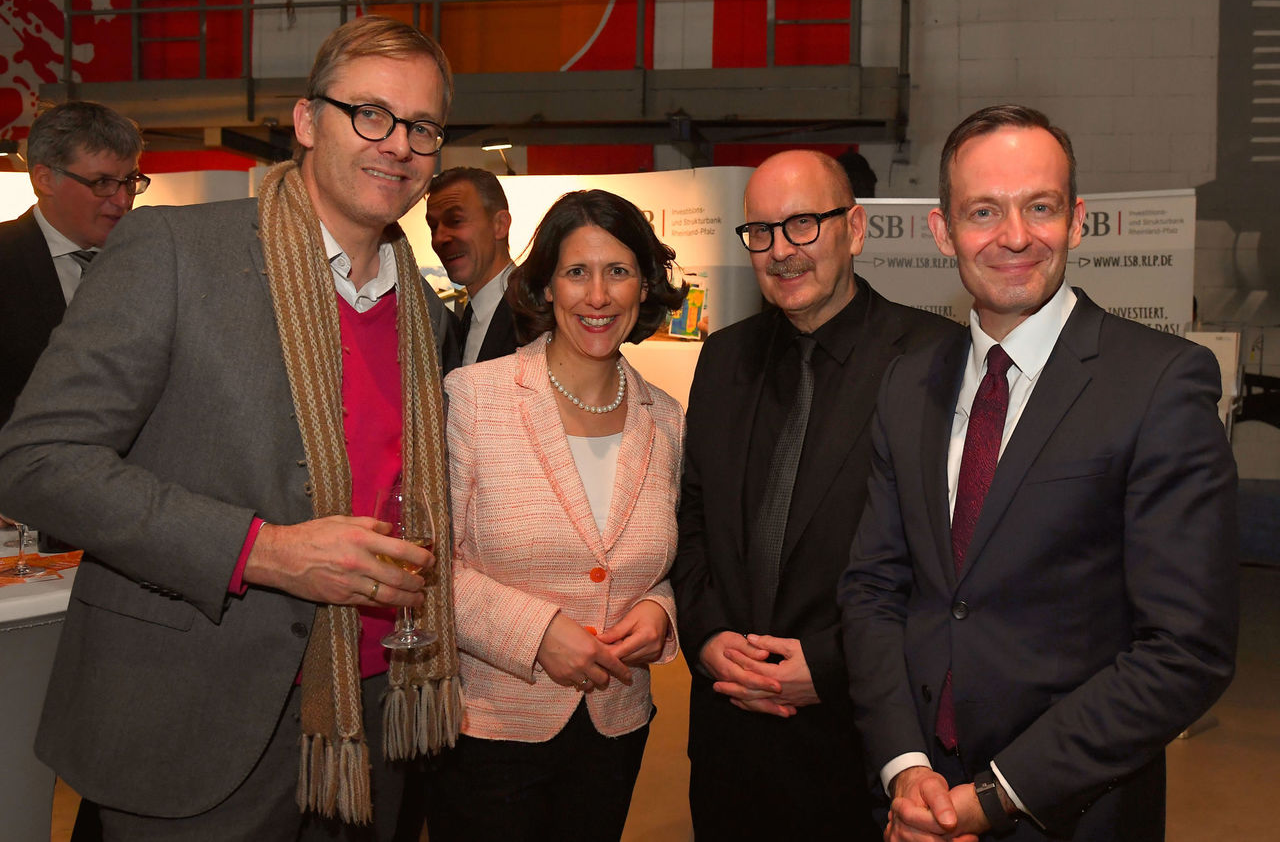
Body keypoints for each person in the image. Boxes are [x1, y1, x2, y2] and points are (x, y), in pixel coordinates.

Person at [0, 16, 464, 841]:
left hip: (371, 721)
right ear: (306, 121)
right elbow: (37, 459)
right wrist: (265, 551)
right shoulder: (175, 251)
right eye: (370, 114)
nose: (397, 144)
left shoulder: (422, 314)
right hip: (192, 715)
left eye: (422, 126)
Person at [838, 104, 1238, 842]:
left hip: (1072, 810)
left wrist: (993, 798)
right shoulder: (906, 385)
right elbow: (873, 589)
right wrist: (906, 768)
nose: (1015, 236)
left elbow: (1186, 649)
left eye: (1041, 207)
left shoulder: (1159, 383)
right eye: (983, 211)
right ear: (943, 230)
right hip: (914, 803)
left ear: (1077, 220)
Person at [670, 149, 956, 840]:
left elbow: (948, 562)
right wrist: (707, 638)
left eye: (803, 225)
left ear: (853, 230)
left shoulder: (933, 360)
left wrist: (830, 664)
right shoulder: (723, 356)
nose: (780, 252)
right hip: (729, 743)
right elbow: (694, 517)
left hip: (857, 740)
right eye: (761, 232)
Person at [424, 189, 688, 841]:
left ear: (644, 287)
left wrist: (661, 612)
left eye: (618, 271)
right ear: (544, 289)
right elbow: (426, 564)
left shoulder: (666, 419)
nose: (597, 296)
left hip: (615, 728)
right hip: (488, 732)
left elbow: (662, 560)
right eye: (576, 272)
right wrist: (538, 633)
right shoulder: (474, 398)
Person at [0, 100, 144, 427]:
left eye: (130, 181)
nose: (123, 200)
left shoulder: (147, 263)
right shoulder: (5, 261)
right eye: (102, 183)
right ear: (44, 179)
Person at [426, 166, 519, 365]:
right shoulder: (459, 323)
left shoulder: (538, 314)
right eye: (433, 227)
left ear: (500, 225)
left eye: (456, 221)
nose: (440, 238)